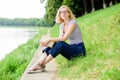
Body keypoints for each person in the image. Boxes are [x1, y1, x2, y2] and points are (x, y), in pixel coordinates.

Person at [27, 5, 86, 74]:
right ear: (59, 15)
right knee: (54, 43)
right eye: (61, 12)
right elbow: (58, 40)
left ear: (69, 13)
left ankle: (40, 65)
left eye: (65, 12)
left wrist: (49, 39)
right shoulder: (62, 25)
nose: (63, 13)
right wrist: (48, 42)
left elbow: (64, 39)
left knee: (60, 44)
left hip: (79, 50)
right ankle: (39, 63)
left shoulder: (73, 23)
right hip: (72, 49)